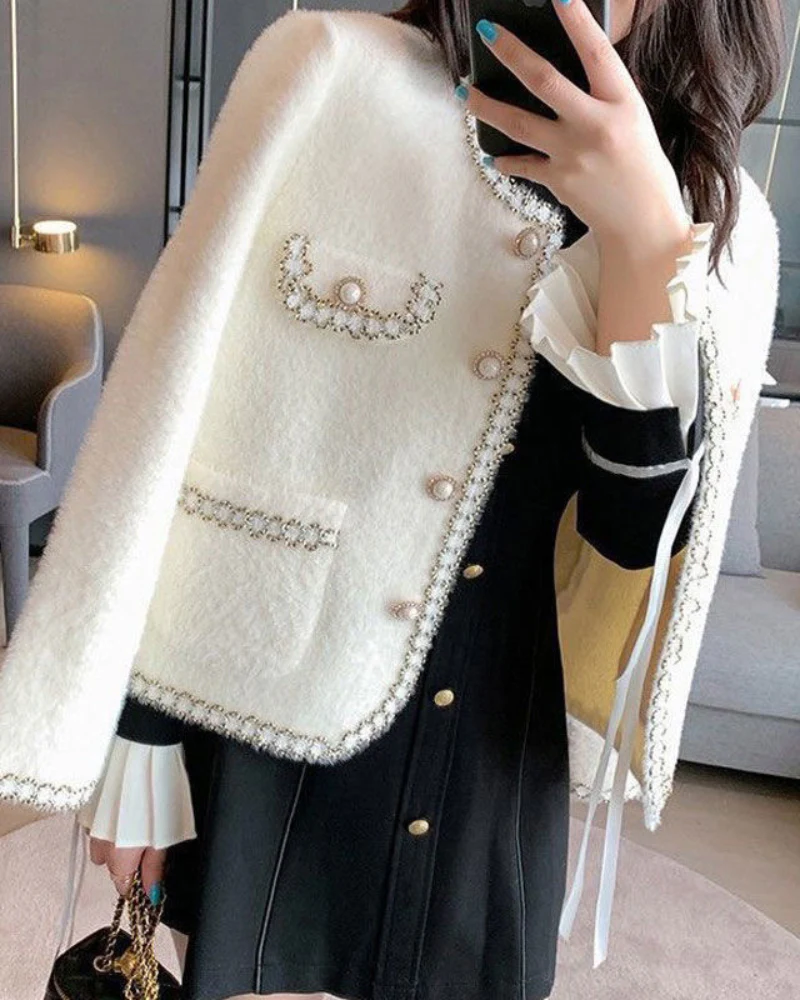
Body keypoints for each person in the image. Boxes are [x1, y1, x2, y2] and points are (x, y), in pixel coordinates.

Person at [0, 2, 783, 1000]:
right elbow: (174, 423)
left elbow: (635, 536)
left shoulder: (717, 215)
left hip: (495, 739)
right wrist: (139, 743)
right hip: (262, 710)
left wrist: (640, 236)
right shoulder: (328, 72)